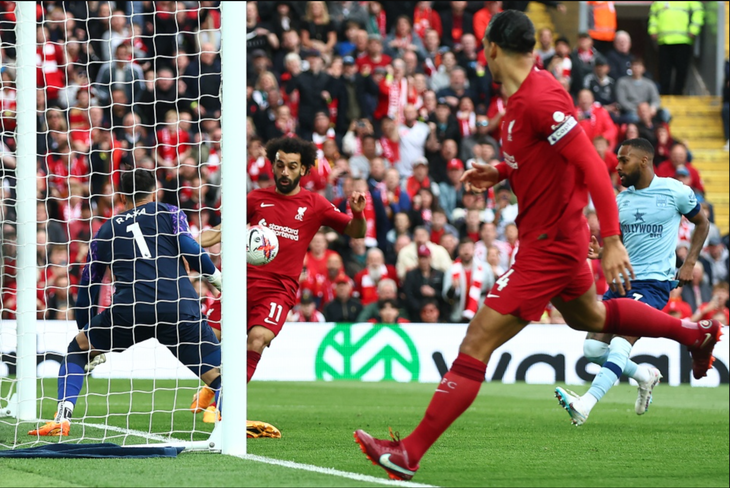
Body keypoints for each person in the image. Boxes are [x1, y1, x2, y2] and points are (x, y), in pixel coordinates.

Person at [352, 11, 722, 481]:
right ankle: (695, 333)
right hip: (551, 241)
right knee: (593, 318)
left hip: (548, 247)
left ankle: (410, 453)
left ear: (490, 49)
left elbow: (592, 166)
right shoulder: (521, 98)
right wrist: (501, 173)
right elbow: (541, 156)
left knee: (477, 341)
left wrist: (611, 240)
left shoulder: (540, 98)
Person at [29, 169, 223, 437]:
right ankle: (230, 421)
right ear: (154, 191)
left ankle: (62, 418)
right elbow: (190, 248)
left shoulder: (105, 230)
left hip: (130, 309)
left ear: (120, 196)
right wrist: (216, 278)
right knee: (218, 372)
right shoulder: (169, 211)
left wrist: (87, 331)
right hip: (178, 306)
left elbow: (88, 284)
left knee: (77, 350)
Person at [191, 136, 366, 423]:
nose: (285, 172)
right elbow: (220, 231)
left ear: (305, 170)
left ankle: (223, 405)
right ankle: (215, 386)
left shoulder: (315, 204)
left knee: (257, 338)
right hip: (241, 283)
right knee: (206, 340)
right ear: (273, 165)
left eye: (292, 167)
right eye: (280, 165)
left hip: (278, 289)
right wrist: (186, 242)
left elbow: (356, 232)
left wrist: (357, 214)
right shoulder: (257, 198)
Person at [555, 138, 709, 425]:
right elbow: (623, 244)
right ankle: (644, 375)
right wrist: (603, 253)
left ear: (644, 161)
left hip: (653, 284)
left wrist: (689, 262)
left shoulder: (675, 191)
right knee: (592, 350)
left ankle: (585, 404)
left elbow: (703, 223)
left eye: (624, 160)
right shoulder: (619, 201)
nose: (618, 166)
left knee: (621, 342)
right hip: (621, 282)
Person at [648, 1, 704, 95]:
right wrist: (652, 30)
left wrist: (694, 29)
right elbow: (653, 16)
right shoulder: (658, 2)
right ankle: (664, 93)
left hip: (683, 40)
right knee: (664, 70)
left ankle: (678, 93)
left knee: (681, 70)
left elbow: (699, 12)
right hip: (664, 41)